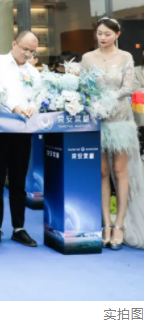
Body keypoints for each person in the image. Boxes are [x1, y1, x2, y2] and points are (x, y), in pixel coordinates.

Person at [81, 18, 143, 250]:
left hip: (119, 120)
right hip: (96, 121)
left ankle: (120, 224)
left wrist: (108, 100)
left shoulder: (126, 57)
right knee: (101, 172)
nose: (103, 37)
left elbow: (128, 87)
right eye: (99, 33)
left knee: (119, 170)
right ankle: (106, 223)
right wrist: (94, 104)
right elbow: (84, 87)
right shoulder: (88, 58)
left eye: (107, 33)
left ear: (117, 34)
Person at [0, 31, 41, 247]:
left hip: (22, 131)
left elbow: (38, 96)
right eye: (25, 49)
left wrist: (33, 107)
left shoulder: (33, 72)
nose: (27, 54)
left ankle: (19, 228)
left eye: (32, 51)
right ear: (14, 43)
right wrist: (15, 107)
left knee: (18, 181)